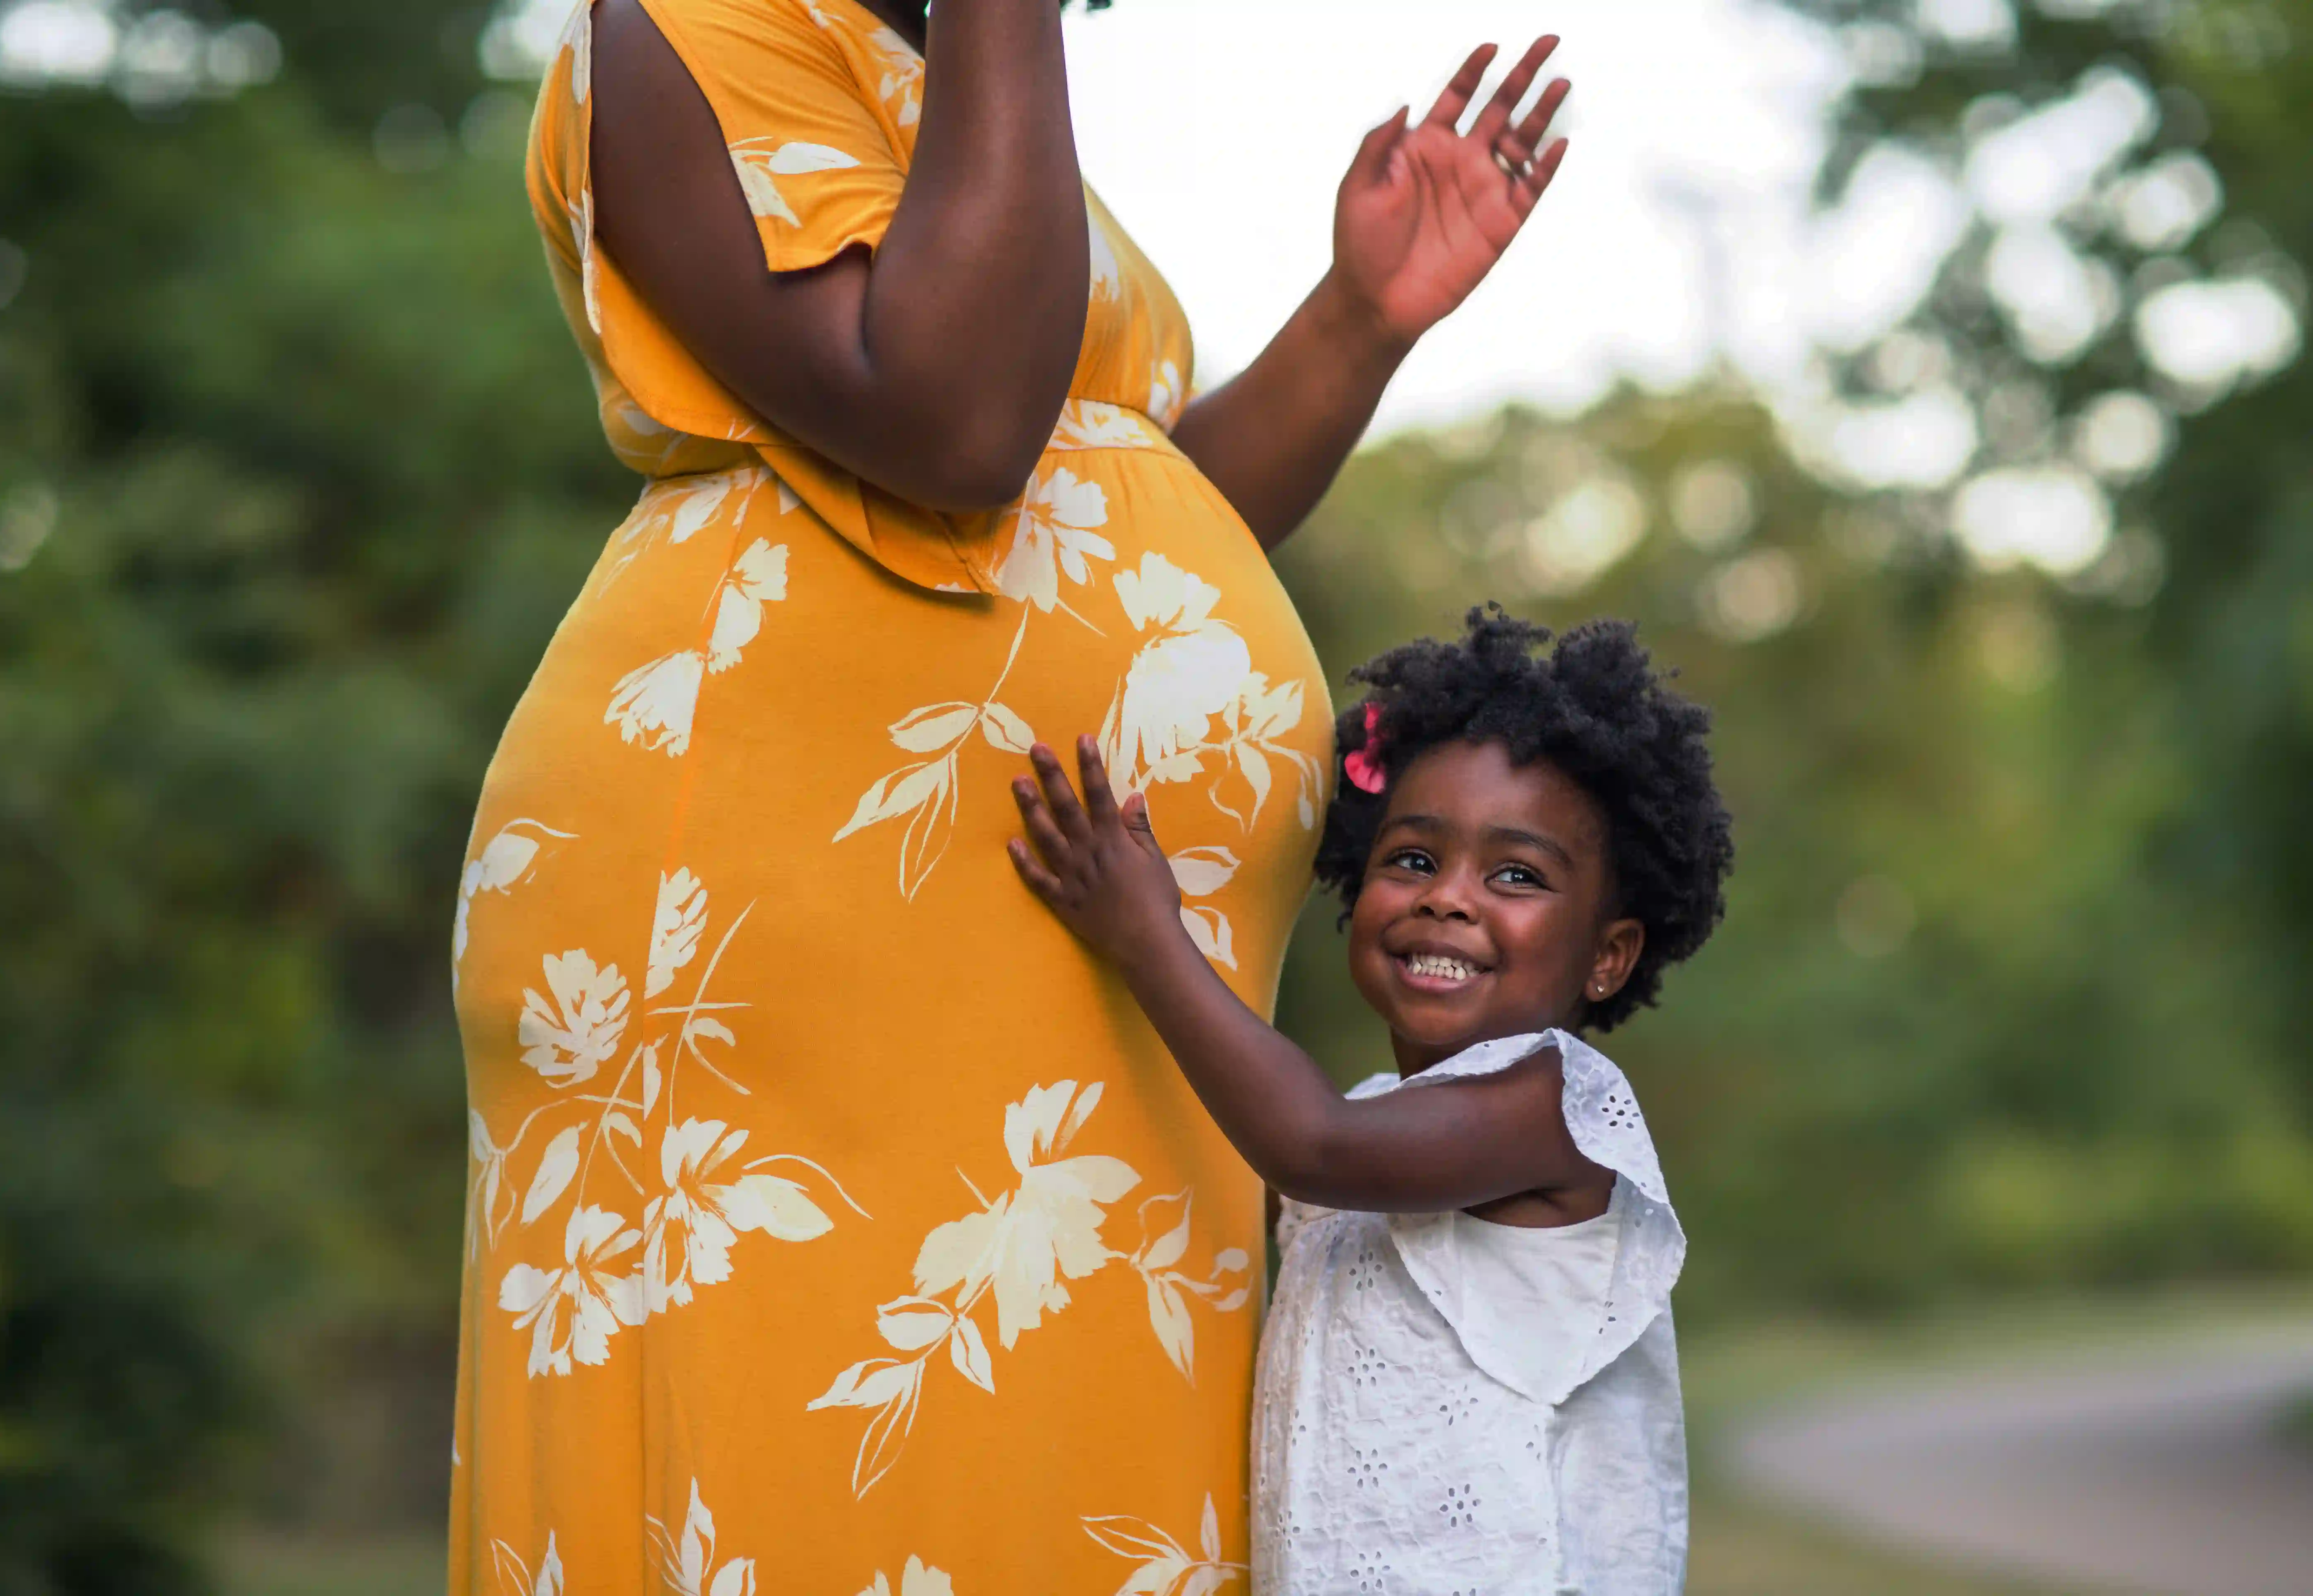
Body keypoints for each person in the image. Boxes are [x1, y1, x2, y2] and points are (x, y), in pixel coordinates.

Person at [449, 0, 1571, 1586]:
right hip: (797, 902)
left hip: (1067, 958)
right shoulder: (703, 24)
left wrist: (1357, 321)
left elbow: (1117, 521)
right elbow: (956, 426)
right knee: (814, 1466)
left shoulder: (943, 73)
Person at [1007, 610, 1733, 1594]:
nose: (1448, 898)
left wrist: (1146, 935)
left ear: (1608, 955)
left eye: (1516, 875)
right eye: (1414, 860)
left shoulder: (1554, 1106)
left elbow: (1311, 1142)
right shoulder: (1374, 1123)